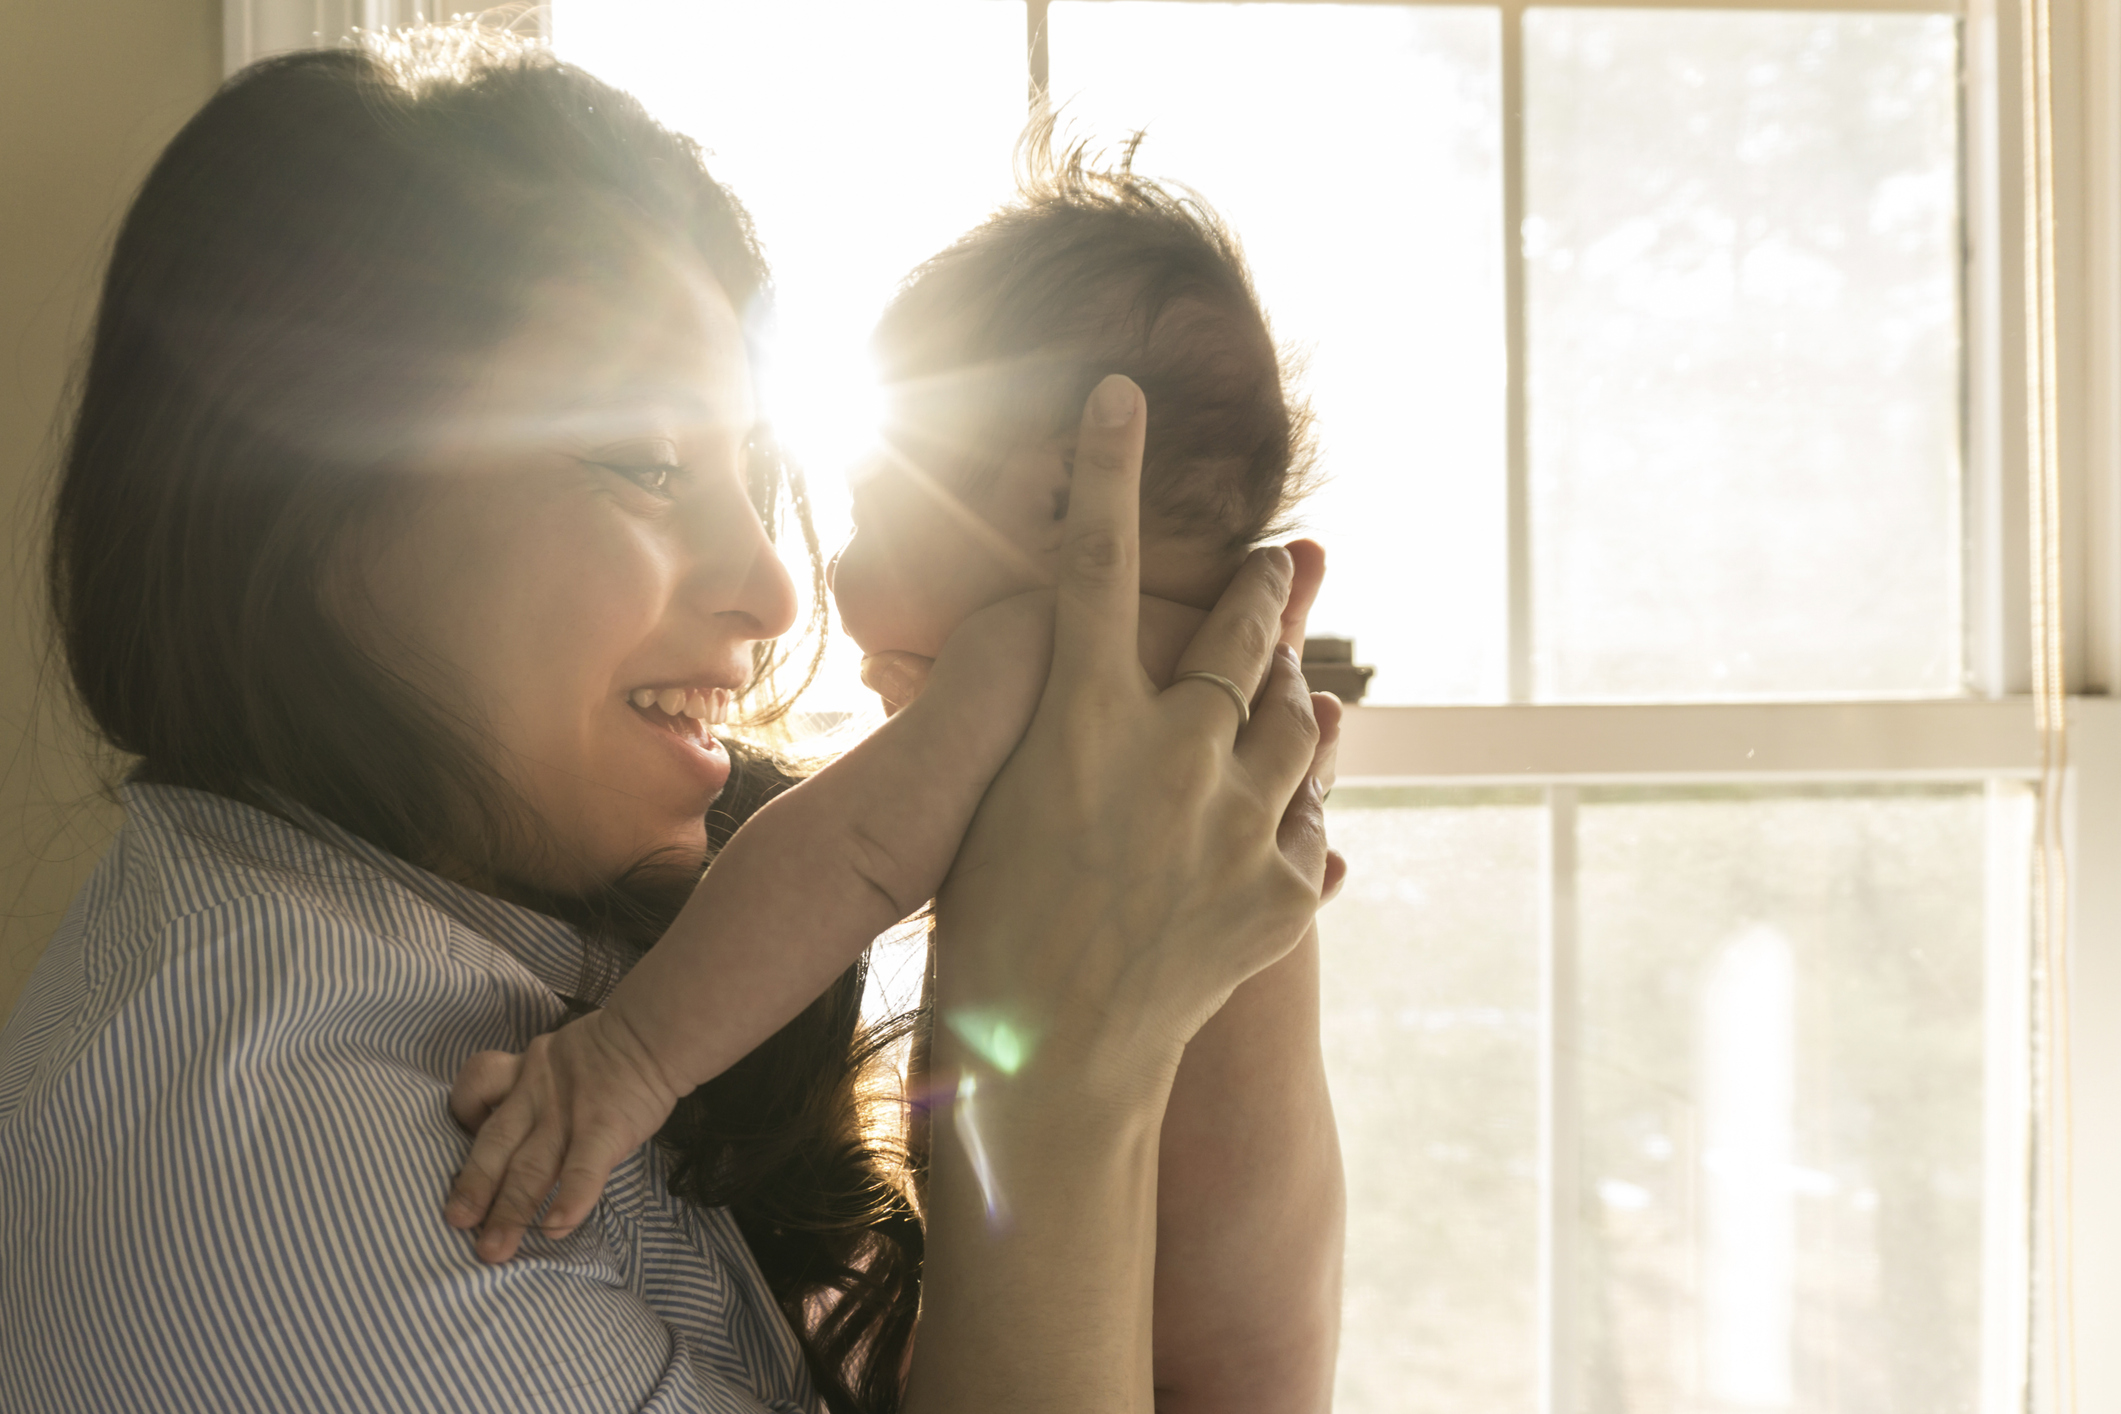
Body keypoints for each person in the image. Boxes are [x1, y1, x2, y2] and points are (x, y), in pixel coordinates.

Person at [0, 27, 1339, 1414]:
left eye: (755, 471)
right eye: (643, 457)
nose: (771, 584)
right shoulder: (294, 1200)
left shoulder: (511, 957)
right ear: (287, 507)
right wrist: (1063, 1087)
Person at [445, 156, 1346, 1368]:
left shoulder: (1046, 656)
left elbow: (849, 854)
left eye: (873, 502)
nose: (823, 572)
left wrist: (627, 1057)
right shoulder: (1208, 713)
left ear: (1056, 502)